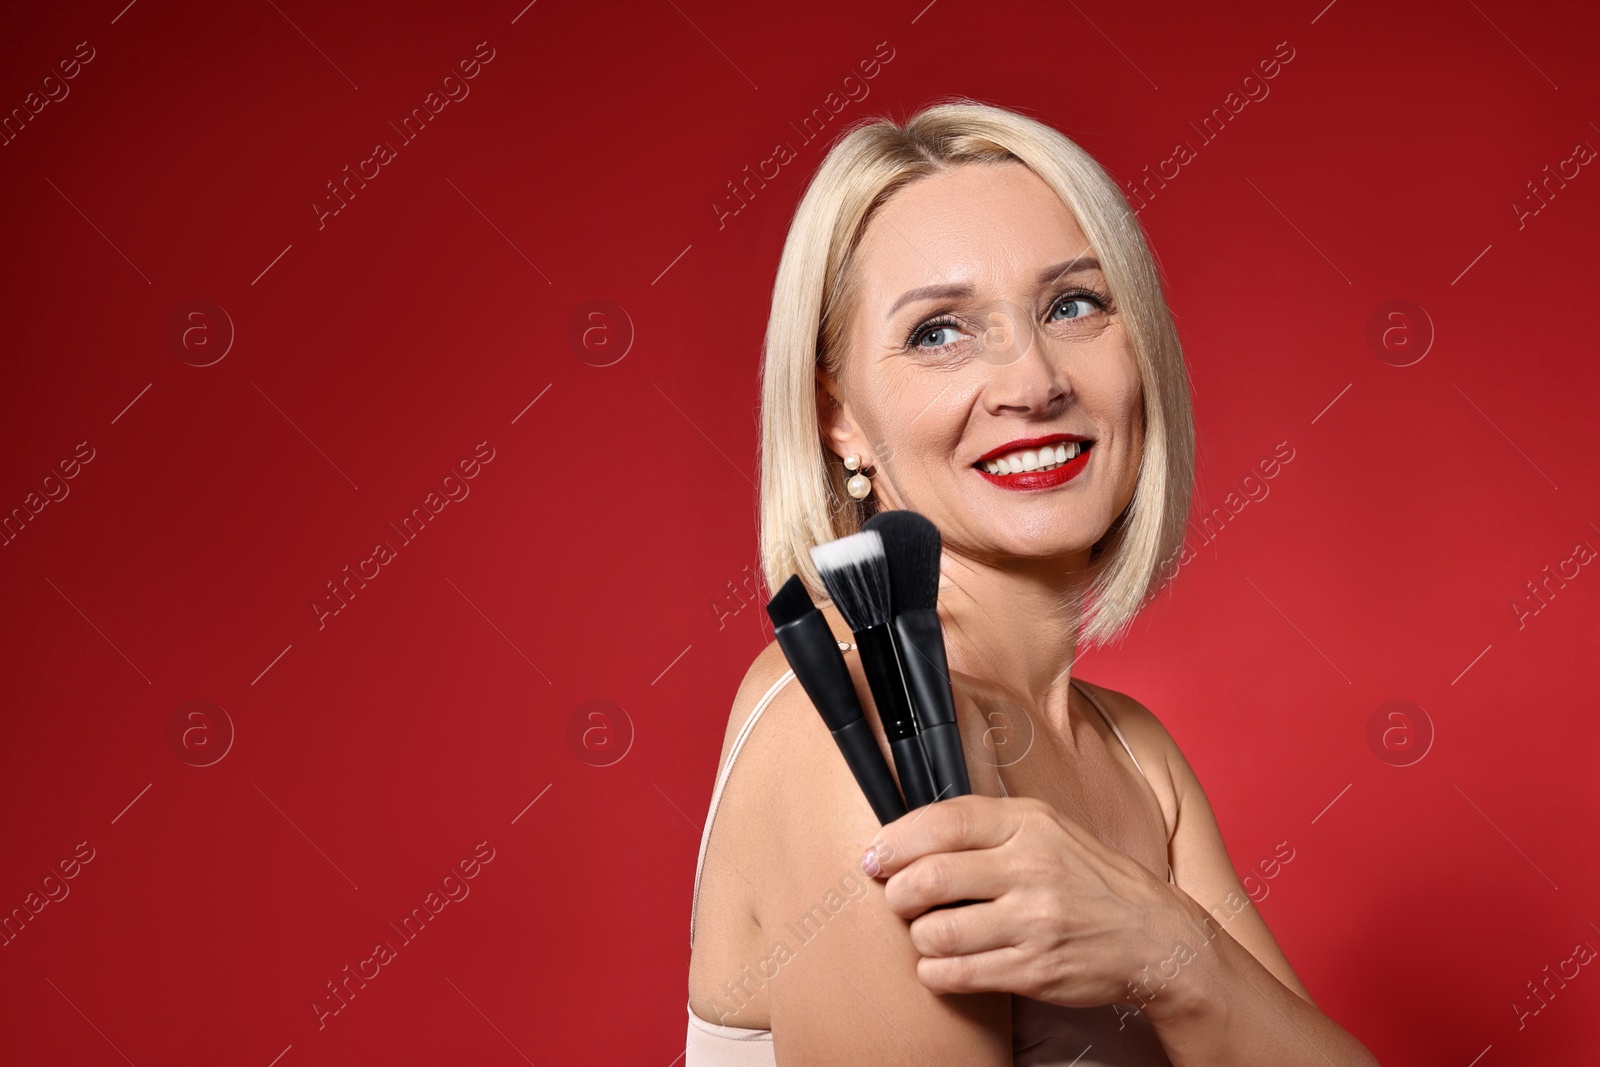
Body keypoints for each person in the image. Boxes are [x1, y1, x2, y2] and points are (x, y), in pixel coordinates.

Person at [685, 98, 1380, 1065]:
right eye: (939, 331)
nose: (1034, 379)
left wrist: (1168, 950)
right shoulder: (854, 729)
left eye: (1072, 304)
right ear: (838, 418)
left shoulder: (1138, 760)